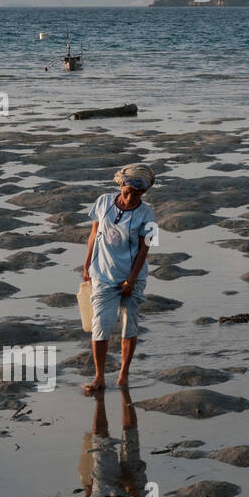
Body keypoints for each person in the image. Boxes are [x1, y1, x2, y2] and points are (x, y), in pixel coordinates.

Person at [81, 164, 156, 392]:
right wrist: (86, 265)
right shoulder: (103, 201)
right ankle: (99, 376)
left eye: (137, 193)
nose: (131, 196)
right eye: (128, 191)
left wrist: (131, 281)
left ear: (143, 193)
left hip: (132, 278)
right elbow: (94, 234)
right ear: (121, 185)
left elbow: (145, 250)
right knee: (100, 326)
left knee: (128, 326)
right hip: (103, 275)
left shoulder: (148, 214)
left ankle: (123, 374)